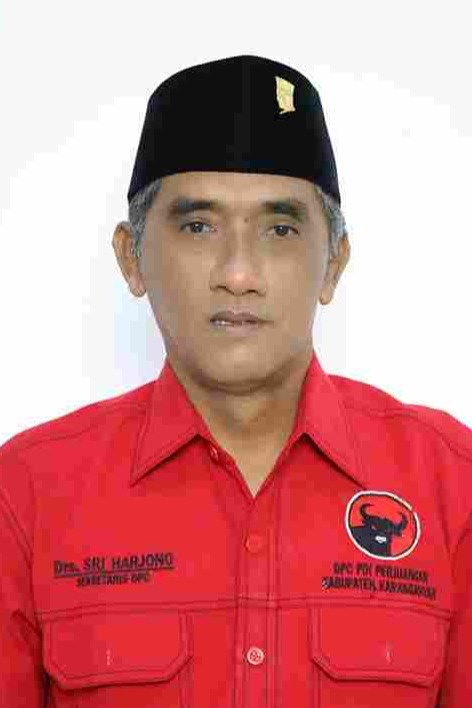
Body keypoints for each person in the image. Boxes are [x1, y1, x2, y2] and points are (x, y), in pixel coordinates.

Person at [0, 54, 470, 708]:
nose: (239, 273)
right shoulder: (26, 495)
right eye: (199, 226)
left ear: (334, 264)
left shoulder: (451, 485)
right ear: (132, 258)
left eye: (280, 228)